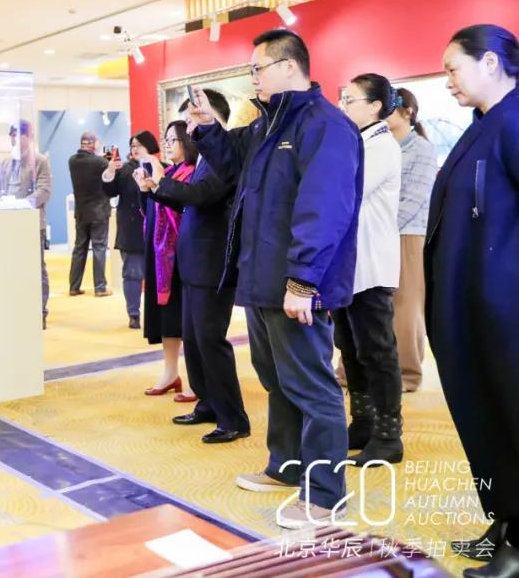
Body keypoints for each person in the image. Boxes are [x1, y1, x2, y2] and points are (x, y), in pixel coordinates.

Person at [188, 28, 362, 529]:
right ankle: (286, 466)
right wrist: (208, 128)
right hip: (262, 278)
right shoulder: (268, 124)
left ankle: (326, 496)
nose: (253, 78)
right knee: (278, 380)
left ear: (289, 66)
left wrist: (303, 281)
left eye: (257, 69)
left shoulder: (325, 125)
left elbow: (324, 208)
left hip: (296, 284)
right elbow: (231, 165)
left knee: (312, 387)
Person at [425, 24, 519, 577]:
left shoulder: (514, 121)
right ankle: (505, 520)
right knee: (485, 414)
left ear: (490, 62)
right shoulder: (484, 124)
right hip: (473, 305)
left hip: (504, 309)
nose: (448, 81)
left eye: (452, 69)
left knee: (510, 413)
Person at [150, 90, 251, 444]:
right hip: (194, 260)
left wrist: (161, 184)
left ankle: (233, 418)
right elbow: (190, 201)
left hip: (212, 262)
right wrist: (157, 189)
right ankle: (207, 403)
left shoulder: (225, 155)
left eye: (191, 120)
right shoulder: (206, 156)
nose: (187, 129)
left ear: (213, 116)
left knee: (210, 340)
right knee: (193, 339)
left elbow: (203, 196)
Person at [335, 74, 404, 467]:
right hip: (350, 265)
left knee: (377, 351)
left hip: (372, 264)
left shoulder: (381, 146)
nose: (342, 106)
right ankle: (362, 422)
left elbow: (347, 191)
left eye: (350, 99)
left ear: (375, 106)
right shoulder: (359, 142)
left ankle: (388, 434)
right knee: (350, 348)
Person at [136, 124, 195, 401]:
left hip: (182, 258)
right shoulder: (170, 173)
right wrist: (145, 189)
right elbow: (149, 212)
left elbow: (182, 212)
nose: (168, 144)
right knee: (168, 320)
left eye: (174, 139)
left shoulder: (192, 173)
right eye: (166, 139)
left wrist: (158, 183)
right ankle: (170, 373)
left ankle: (197, 380)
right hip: (161, 258)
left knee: (188, 322)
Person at [387, 88, 437, 392]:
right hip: (377, 235)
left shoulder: (422, 149)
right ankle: (356, 371)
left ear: (408, 112)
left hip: (408, 234)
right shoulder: (379, 145)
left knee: (406, 308)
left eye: (391, 107)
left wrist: (383, 229)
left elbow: (415, 200)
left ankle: (408, 374)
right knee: (370, 306)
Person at [0, 120, 52, 328]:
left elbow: (44, 191)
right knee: (10, 268)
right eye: (12, 135)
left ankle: (40, 312)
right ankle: (15, 309)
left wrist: (21, 205)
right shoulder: (5, 163)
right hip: (8, 224)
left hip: (32, 224)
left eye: (19, 135)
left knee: (36, 268)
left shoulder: (40, 161)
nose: (14, 140)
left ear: (29, 137)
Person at [101, 135, 146, 329]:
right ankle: (134, 314)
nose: (135, 149)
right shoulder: (124, 169)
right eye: (132, 145)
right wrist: (110, 170)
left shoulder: (161, 167)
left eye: (139, 145)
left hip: (157, 231)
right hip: (131, 231)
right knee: (132, 274)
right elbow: (109, 190)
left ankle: (157, 315)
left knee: (159, 277)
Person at [68, 131, 112, 297]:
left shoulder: (72, 161)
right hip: (99, 212)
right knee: (99, 248)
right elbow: (109, 173)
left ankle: (74, 286)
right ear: (94, 144)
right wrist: (106, 160)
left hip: (81, 212)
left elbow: (88, 163)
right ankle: (100, 287)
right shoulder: (100, 162)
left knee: (79, 249)